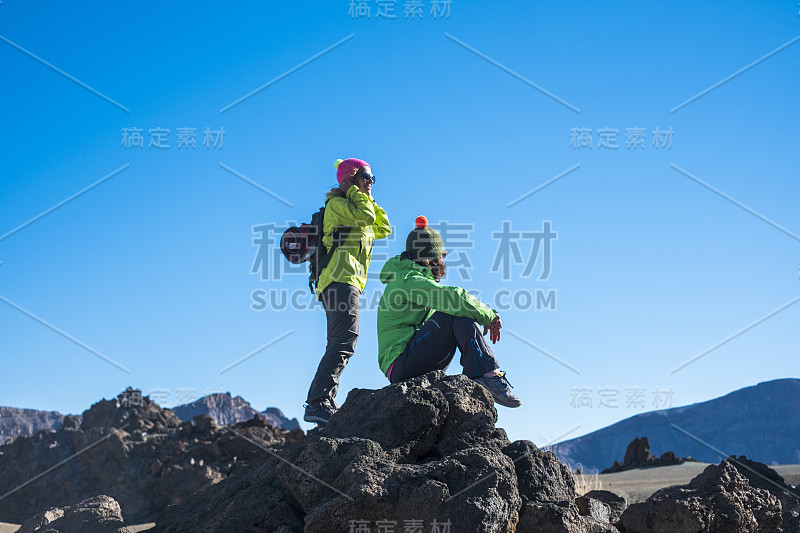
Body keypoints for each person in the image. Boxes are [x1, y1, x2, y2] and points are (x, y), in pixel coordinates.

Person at [376, 216, 521, 407]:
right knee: (453, 310)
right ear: (429, 258)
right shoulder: (407, 279)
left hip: (412, 359)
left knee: (459, 312)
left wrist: (485, 315)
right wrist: (489, 316)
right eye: (441, 256)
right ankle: (485, 375)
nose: (443, 260)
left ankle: (482, 375)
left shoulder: (413, 278)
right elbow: (453, 298)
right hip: (402, 364)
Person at [304, 158, 392, 424]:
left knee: (341, 342)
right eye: (366, 177)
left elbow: (383, 227)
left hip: (347, 281)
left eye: (372, 178)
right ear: (350, 180)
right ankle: (318, 403)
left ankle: (323, 402)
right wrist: (354, 191)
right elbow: (367, 216)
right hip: (340, 280)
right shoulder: (338, 205)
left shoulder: (355, 206)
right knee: (344, 341)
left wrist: (366, 194)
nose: (371, 182)